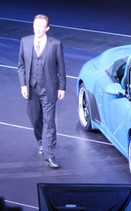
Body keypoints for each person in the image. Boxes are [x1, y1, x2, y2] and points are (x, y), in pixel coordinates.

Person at [18, 14, 66, 168]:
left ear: (47, 28)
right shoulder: (25, 41)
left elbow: (61, 68)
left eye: (41, 26)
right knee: (35, 119)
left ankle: (49, 155)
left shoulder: (55, 44)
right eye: (35, 25)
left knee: (49, 123)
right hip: (31, 89)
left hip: (49, 89)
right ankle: (40, 141)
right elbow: (21, 66)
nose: (37, 29)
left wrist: (62, 87)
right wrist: (23, 85)